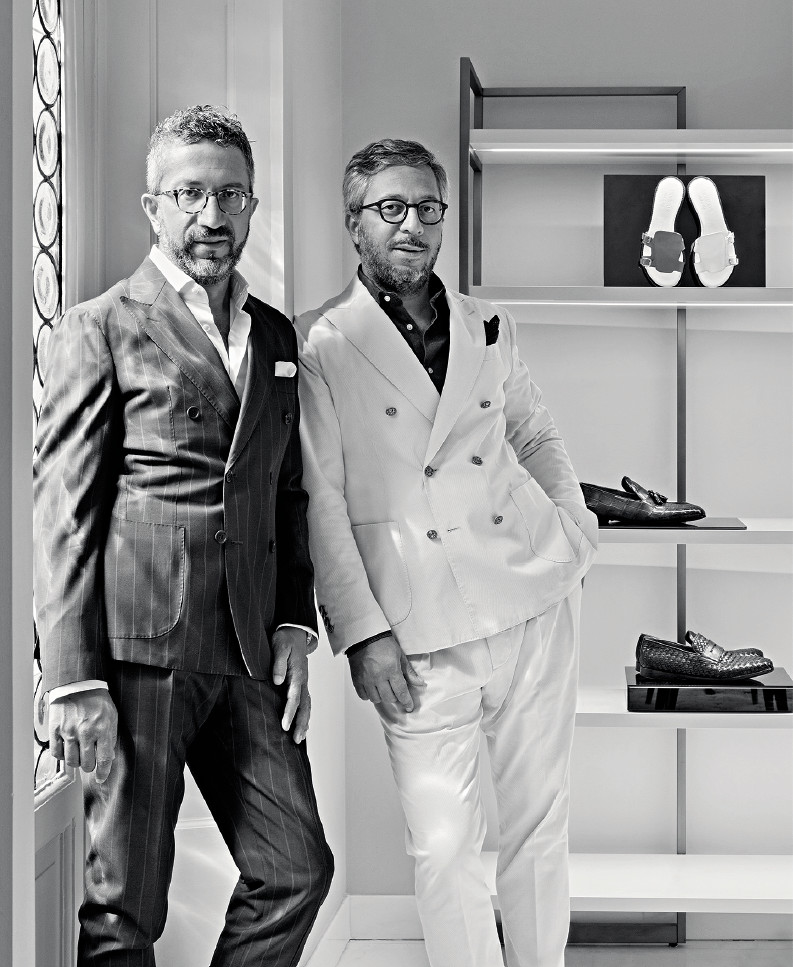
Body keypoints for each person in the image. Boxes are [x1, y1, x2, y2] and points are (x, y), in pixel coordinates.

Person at [33, 105, 333, 966]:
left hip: (249, 650)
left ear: (251, 205)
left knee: (296, 868)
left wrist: (293, 622)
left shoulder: (274, 334)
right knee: (124, 907)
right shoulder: (99, 325)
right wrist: (73, 676)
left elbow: (284, 490)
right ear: (153, 206)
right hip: (140, 656)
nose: (212, 214)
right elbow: (63, 514)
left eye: (231, 195)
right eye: (190, 193)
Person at [295, 139, 598, 967]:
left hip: (532, 597)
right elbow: (321, 497)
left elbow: (533, 432)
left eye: (427, 208)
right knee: (443, 846)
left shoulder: (483, 323)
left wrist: (572, 529)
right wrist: (361, 631)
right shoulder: (320, 342)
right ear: (353, 222)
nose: (412, 226)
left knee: (540, 825)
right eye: (390, 208)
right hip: (416, 628)